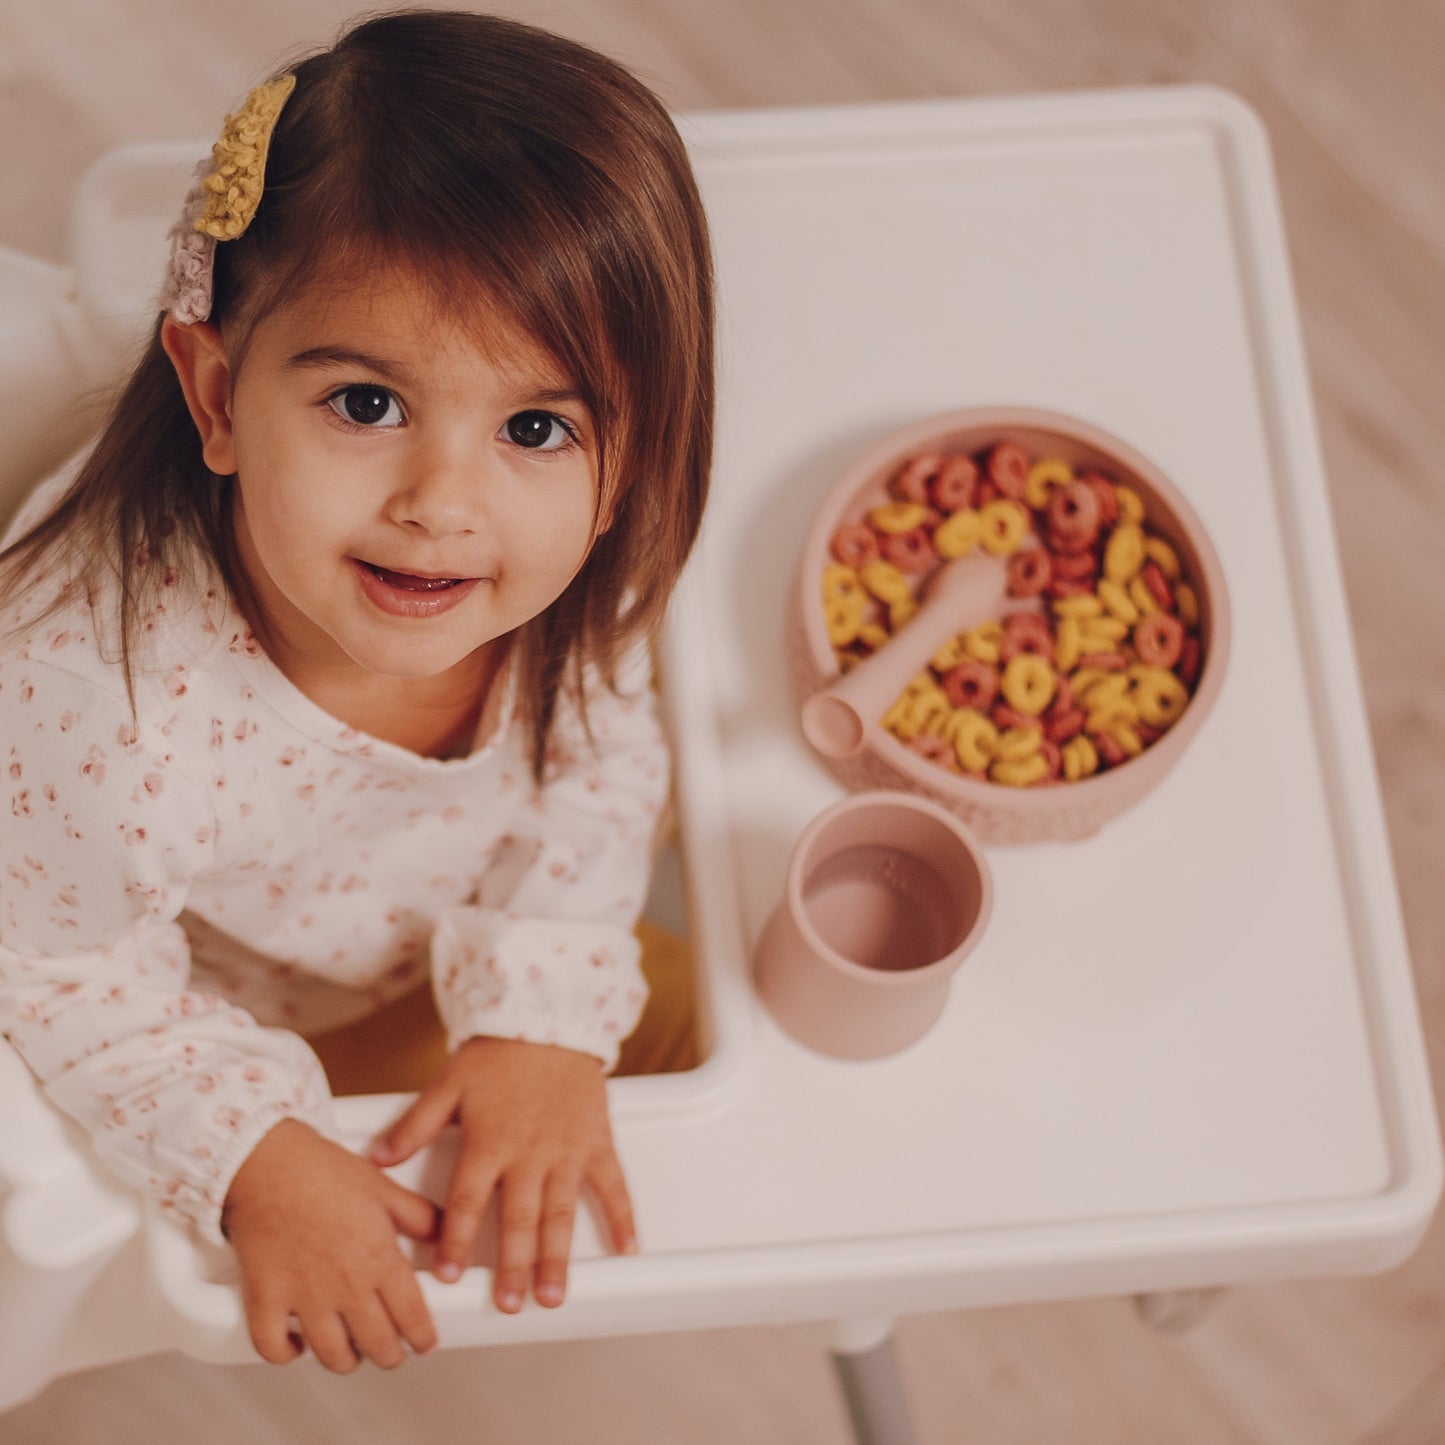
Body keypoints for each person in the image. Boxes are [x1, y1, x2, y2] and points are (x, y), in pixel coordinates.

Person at [0, 9, 713, 1375]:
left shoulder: (578, 552)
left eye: (534, 425)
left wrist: (541, 1010)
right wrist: (256, 1151)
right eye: (367, 405)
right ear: (215, 393)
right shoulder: (97, 713)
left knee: (686, 1008)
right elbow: (61, 966)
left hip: (463, 888)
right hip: (272, 992)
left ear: (627, 457)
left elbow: (604, 731)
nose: (443, 504)